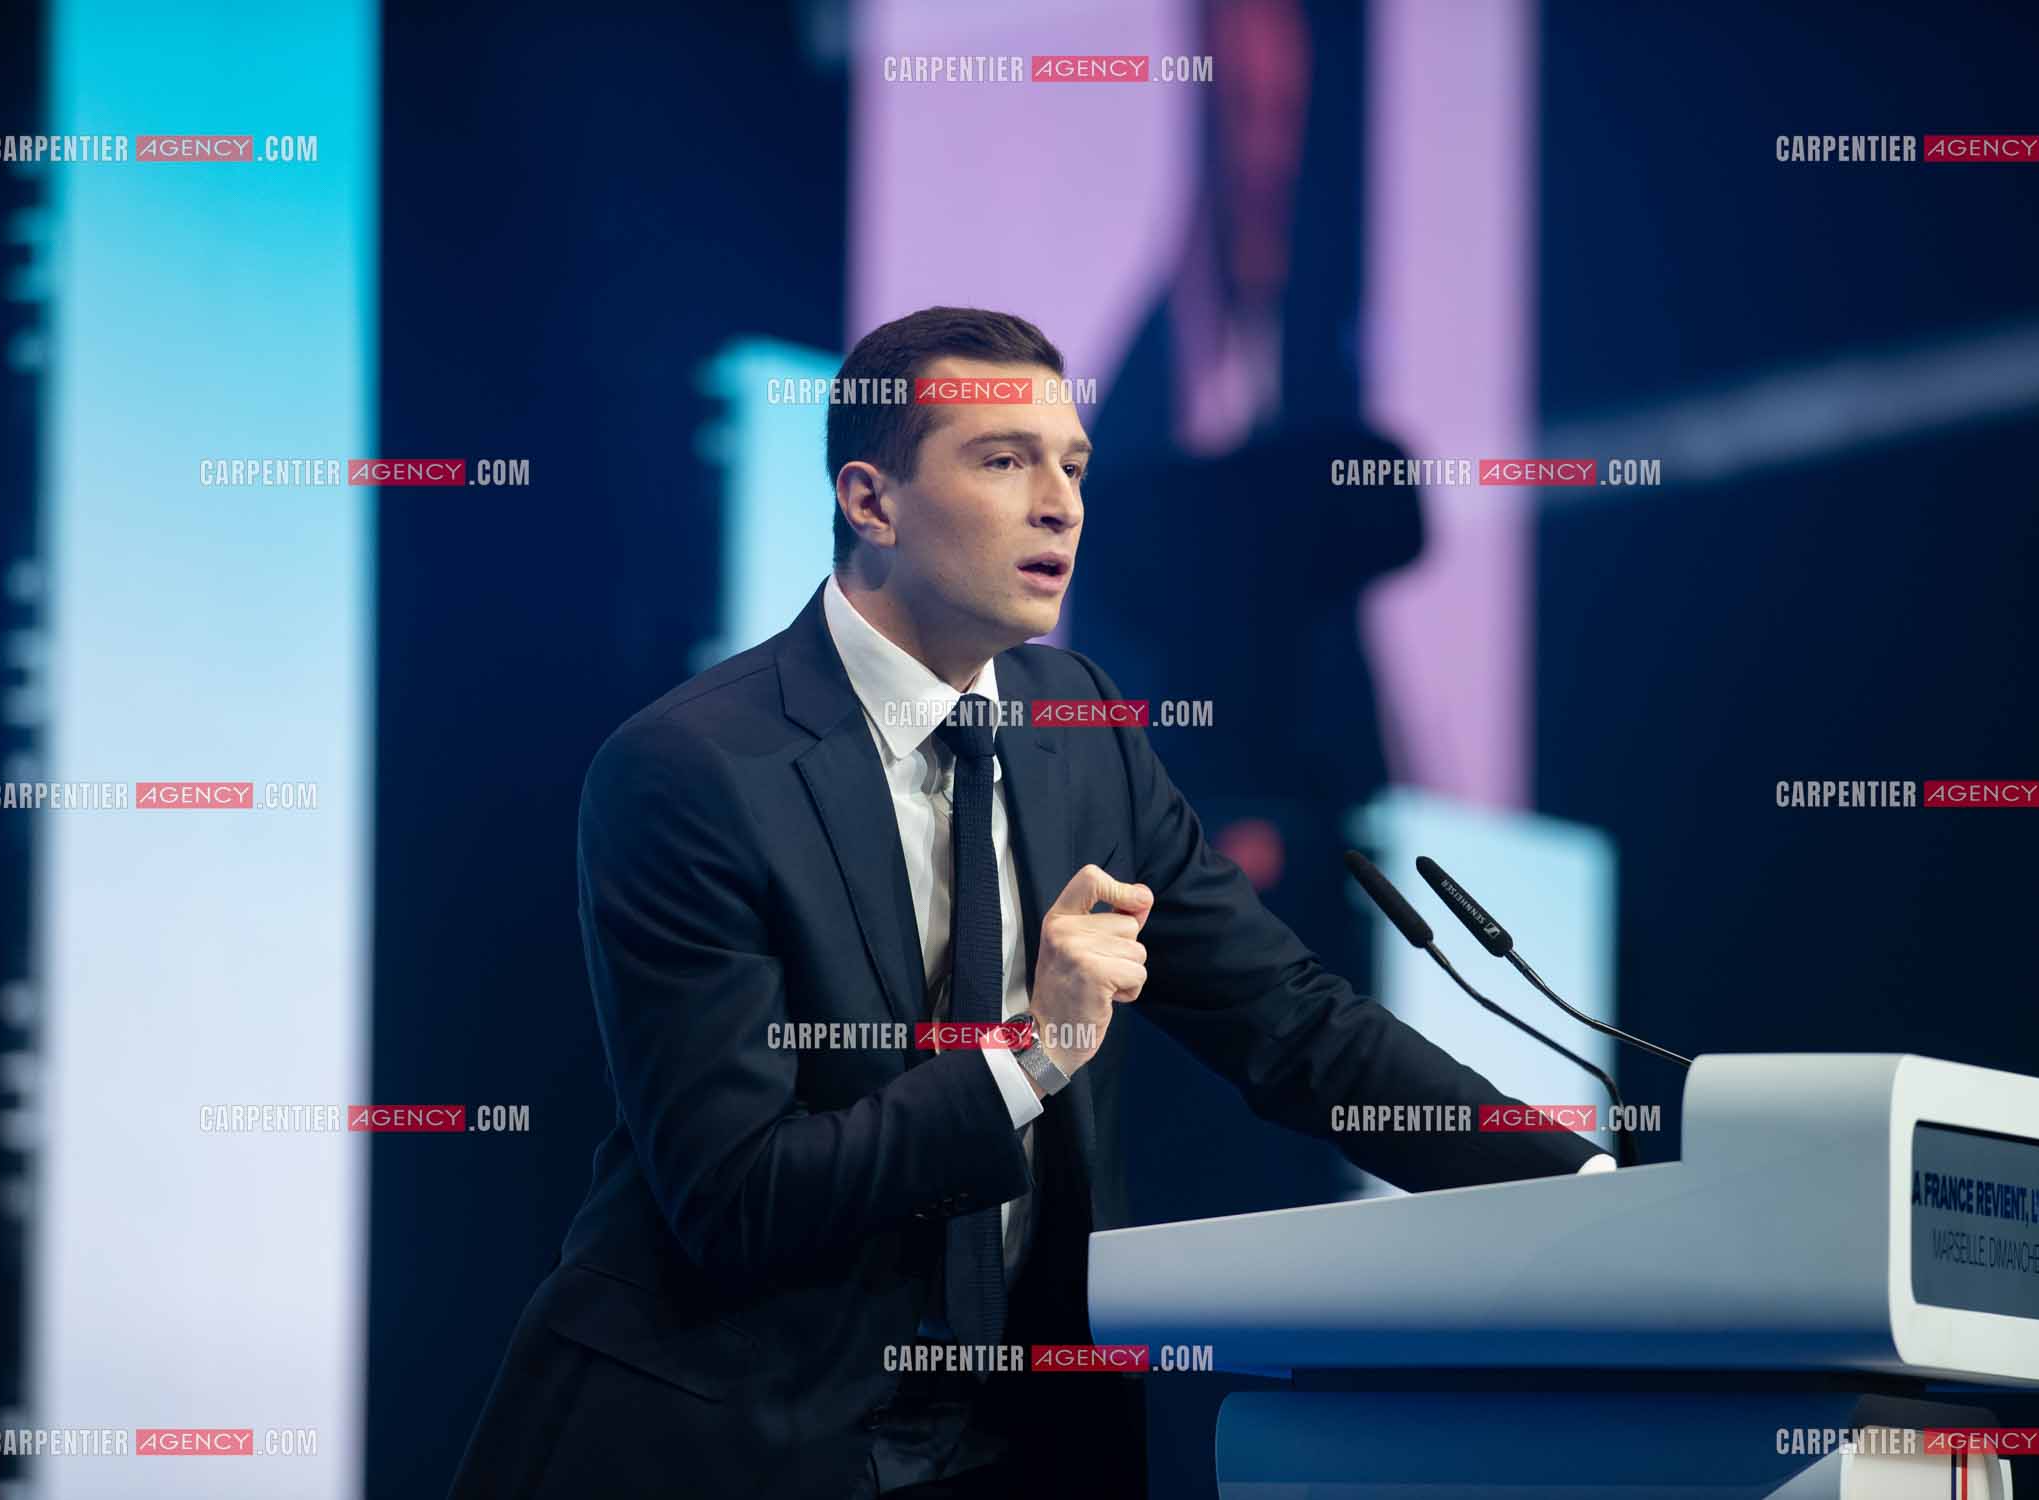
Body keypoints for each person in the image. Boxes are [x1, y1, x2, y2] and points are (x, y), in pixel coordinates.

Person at [449, 307, 1610, 1500]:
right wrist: (1028, 1057)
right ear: (871, 502)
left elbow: (1294, 1024)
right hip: (741, 1435)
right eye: (1004, 460)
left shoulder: (1081, 729)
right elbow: (737, 1197)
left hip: (1024, 1446)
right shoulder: (695, 770)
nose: (1061, 503)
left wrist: (1584, 1200)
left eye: (1073, 465)